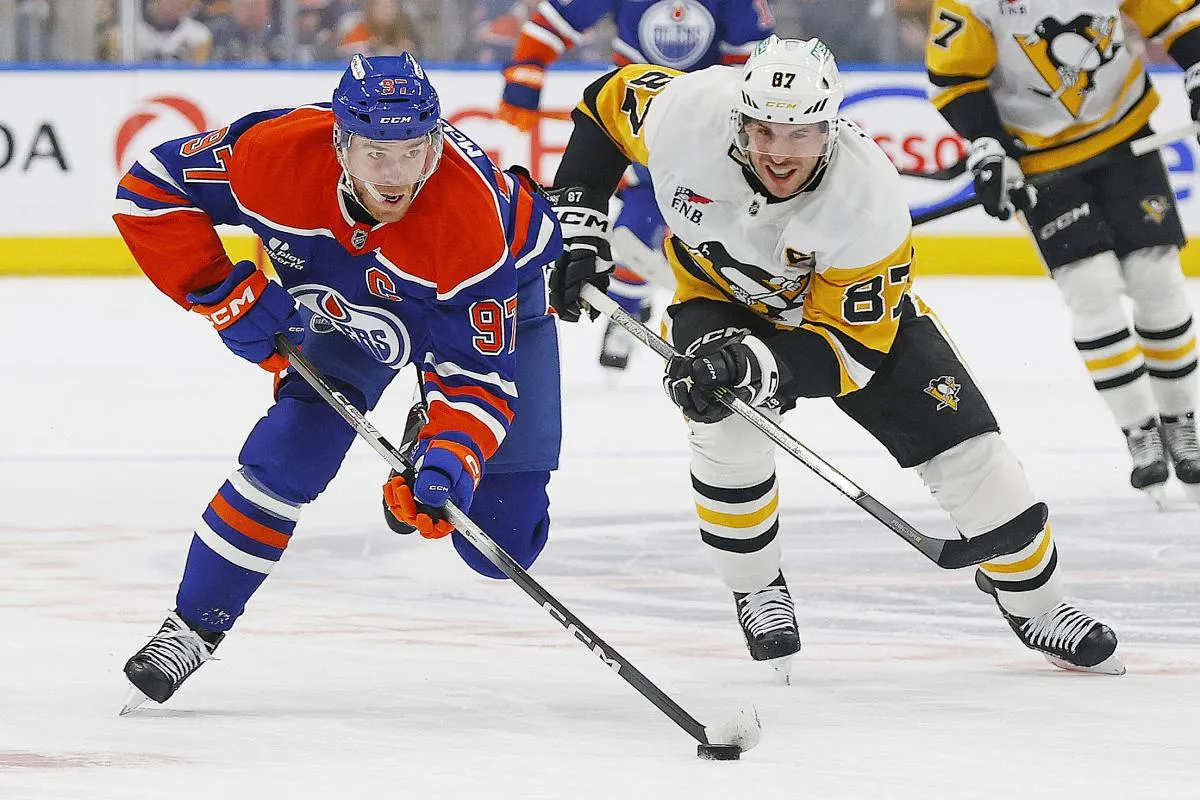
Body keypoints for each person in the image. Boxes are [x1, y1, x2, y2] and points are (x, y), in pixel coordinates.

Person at [546, 35, 1125, 678]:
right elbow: (603, 107)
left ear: (830, 126)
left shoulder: (867, 198)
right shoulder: (688, 110)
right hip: (718, 302)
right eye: (762, 129)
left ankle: (1041, 606)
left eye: (798, 134)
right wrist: (579, 232)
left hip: (849, 327)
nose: (777, 151)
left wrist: (756, 366)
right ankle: (759, 589)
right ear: (739, 116)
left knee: (973, 457)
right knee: (726, 430)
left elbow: (850, 353)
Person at [113, 53, 563, 708]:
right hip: (357, 305)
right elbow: (150, 187)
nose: (396, 175)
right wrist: (218, 291)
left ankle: (427, 432)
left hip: (498, 288)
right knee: (288, 452)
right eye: (376, 152)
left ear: (435, 140)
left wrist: (453, 452)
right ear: (339, 140)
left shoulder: (469, 219)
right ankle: (191, 627)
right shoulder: (276, 154)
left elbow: (478, 378)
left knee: (497, 544)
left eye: (412, 151)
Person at [926, 0, 1200, 507]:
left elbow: (1177, 15)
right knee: (1090, 288)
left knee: (1156, 280)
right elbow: (954, 79)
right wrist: (988, 145)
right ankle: (1139, 430)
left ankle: (1182, 423)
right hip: (1040, 158)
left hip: (1123, 134)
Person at [499, 0, 775, 370]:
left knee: (679, 227)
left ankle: (650, 311)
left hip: (705, 124)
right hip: (630, 116)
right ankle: (627, 312)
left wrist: (725, 122)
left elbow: (754, 63)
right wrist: (528, 70)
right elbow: (557, 20)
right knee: (637, 223)